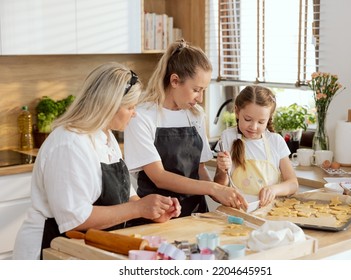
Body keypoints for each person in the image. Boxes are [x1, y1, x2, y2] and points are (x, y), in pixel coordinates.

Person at [13, 62, 181, 260]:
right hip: (51, 249)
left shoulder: (106, 137)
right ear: (108, 105)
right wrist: (138, 208)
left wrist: (151, 211)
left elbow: (125, 195)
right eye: (129, 107)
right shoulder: (69, 144)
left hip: (88, 246)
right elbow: (75, 219)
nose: (134, 113)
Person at [124, 39, 247, 217]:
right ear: (175, 80)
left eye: (204, 90)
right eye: (196, 89)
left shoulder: (196, 115)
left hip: (197, 214)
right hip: (159, 216)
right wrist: (213, 188)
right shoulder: (142, 116)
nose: (200, 98)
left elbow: (200, 170)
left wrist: (222, 188)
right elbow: (159, 177)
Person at [214, 85, 298, 207]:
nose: (253, 127)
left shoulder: (276, 141)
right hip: (238, 213)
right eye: (248, 119)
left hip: (269, 212)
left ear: (268, 118)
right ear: (237, 112)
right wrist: (222, 170)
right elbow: (219, 188)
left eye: (261, 122)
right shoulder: (228, 137)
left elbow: (293, 184)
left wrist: (274, 190)